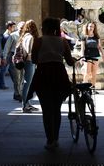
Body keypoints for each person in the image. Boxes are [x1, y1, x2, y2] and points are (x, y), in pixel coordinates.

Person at [29, 17, 75, 150]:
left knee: (46, 109)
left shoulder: (39, 41)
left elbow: (33, 60)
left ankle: (50, 139)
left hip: (43, 74)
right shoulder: (63, 41)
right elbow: (69, 61)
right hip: (59, 74)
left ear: (45, 28)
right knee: (56, 109)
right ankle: (56, 138)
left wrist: (45, 58)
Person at [18, 19, 40, 113]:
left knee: (28, 84)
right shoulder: (30, 37)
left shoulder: (24, 36)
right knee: (27, 84)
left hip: (27, 62)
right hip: (30, 62)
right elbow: (30, 51)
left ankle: (27, 103)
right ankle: (24, 106)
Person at [2, 21, 25, 101]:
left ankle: (19, 93)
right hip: (14, 57)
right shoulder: (13, 35)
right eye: (21, 27)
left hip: (24, 58)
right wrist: (4, 57)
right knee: (16, 77)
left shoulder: (26, 35)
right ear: (18, 27)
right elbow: (7, 47)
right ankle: (17, 93)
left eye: (24, 27)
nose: (22, 29)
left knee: (22, 77)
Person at [80, 22, 104, 90]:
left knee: (94, 73)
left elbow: (99, 47)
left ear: (94, 28)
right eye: (90, 26)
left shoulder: (96, 36)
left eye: (93, 27)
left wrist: (103, 55)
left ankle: (93, 87)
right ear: (87, 27)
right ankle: (84, 86)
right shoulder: (84, 36)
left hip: (96, 55)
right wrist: (82, 57)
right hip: (87, 56)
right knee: (87, 73)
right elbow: (82, 48)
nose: (91, 28)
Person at [0, 21, 16, 89]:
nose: (14, 28)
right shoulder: (6, 36)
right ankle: (2, 85)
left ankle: (15, 82)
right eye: (13, 27)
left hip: (8, 54)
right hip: (6, 55)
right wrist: (4, 57)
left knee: (11, 69)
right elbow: (6, 47)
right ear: (9, 27)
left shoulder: (8, 35)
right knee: (3, 70)